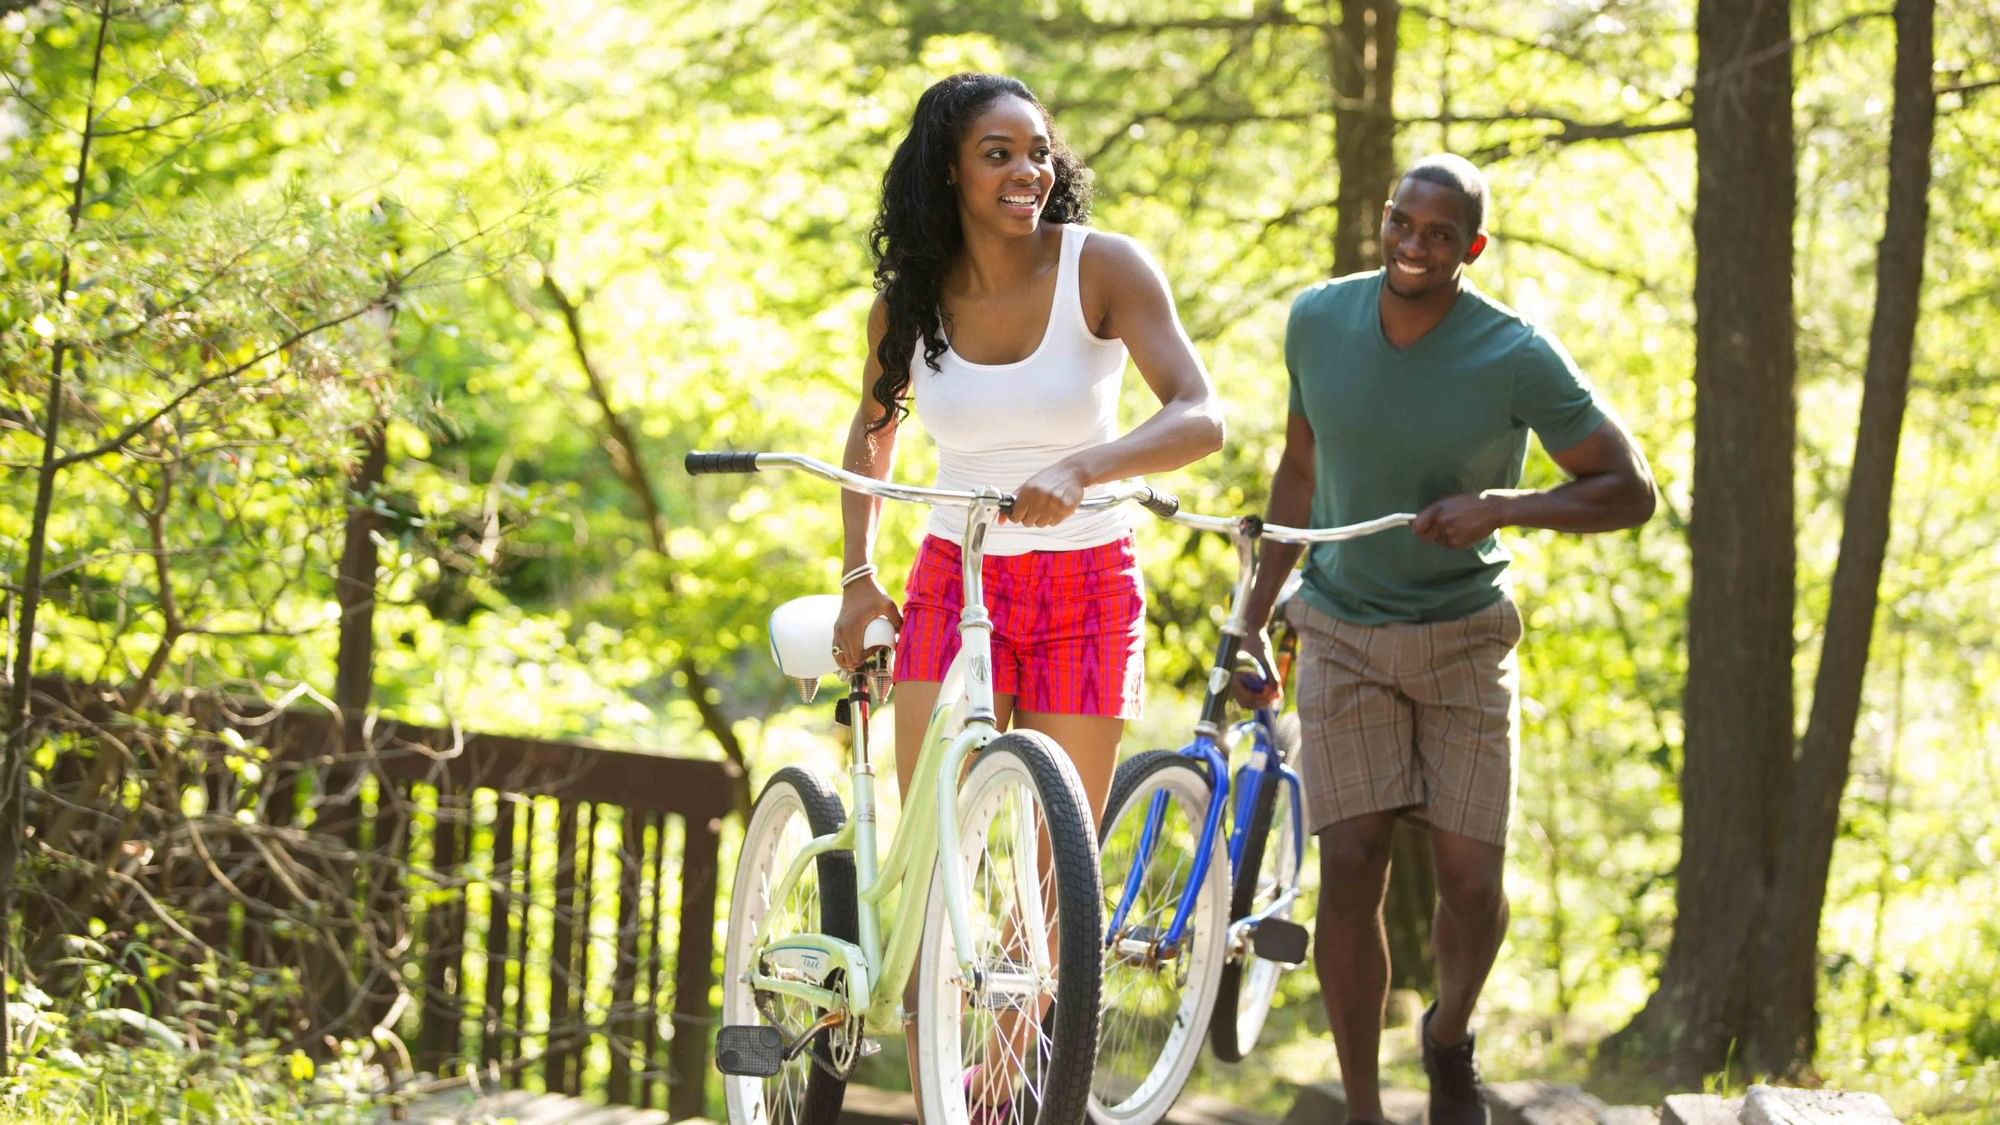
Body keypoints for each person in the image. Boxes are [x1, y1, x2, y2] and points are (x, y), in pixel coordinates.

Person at [828, 72, 1225, 1116]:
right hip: (952, 573)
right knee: (932, 854)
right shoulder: (908, 296)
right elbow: (873, 430)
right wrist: (854, 577)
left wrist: (1082, 469)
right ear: (947, 170)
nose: (1026, 172)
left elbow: (1198, 414)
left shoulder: (1102, 268)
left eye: (1037, 151)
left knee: (1056, 873)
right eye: (998, 153)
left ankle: (997, 1092)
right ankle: (931, 1093)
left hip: (1087, 580)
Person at [1233, 154, 1656, 1125]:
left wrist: (1507, 507)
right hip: (1337, 629)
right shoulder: (1316, 319)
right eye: (1400, 225)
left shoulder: (1512, 353)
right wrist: (1254, 618)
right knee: (1350, 861)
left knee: (1471, 882)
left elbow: (1626, 489)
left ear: (1469, 246)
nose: (1412, 247)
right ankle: (1363, 1109)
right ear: (1382, 221)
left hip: (1463, 639)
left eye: (1436, 235)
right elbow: (1297, 472)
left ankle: (1447, 1036)